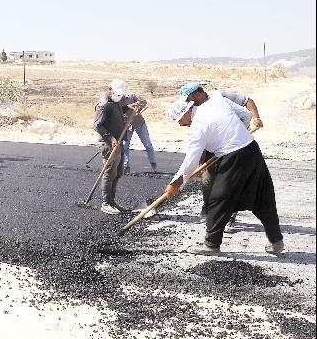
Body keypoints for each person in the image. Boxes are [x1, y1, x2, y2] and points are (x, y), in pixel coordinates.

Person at [165, 97, 283, 256]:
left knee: (218, 199)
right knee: (262, 197)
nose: (180, 123)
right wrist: (234, 134)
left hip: (234, 157)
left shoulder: (197, 127)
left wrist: (176, 183)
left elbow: (191, 159)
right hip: (252, 149)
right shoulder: (217, 102)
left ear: (187, 111)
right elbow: (246, 116)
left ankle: (212, 245)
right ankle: (276, 242)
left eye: (179, 119)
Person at [180, 83, 264, 231]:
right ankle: (207, 210)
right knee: (207, 179)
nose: (187, 103)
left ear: (197, 94)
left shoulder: (221, 95)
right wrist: (200, 163)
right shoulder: (193, 110)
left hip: (234, 146)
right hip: (212, 144)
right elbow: (198, 142)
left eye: (188, 99)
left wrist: (256, 118)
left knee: (231, 182)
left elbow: (248, 102)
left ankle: (229, 215)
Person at [93, 81, 131, 214]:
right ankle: (105, 203)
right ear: (110, 90)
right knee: (109, 173)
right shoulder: (103, 104)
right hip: (109, 144)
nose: (120, 97)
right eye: (118, 94)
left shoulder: (116, 100)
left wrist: (128, 107)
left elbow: (116, 112)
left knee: (118, 172)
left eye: (121, 95)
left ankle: (112, 201)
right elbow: (97, 125)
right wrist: (110, 138)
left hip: (119, 142)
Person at [111, 79, 157, 173]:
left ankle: (153, 163)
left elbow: (144, 102)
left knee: (147, 144)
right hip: (126, 126)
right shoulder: (116, 101)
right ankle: (126, 166)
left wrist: (138, 109)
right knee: (125, 145)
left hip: (139, 123)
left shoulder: (132, 96)